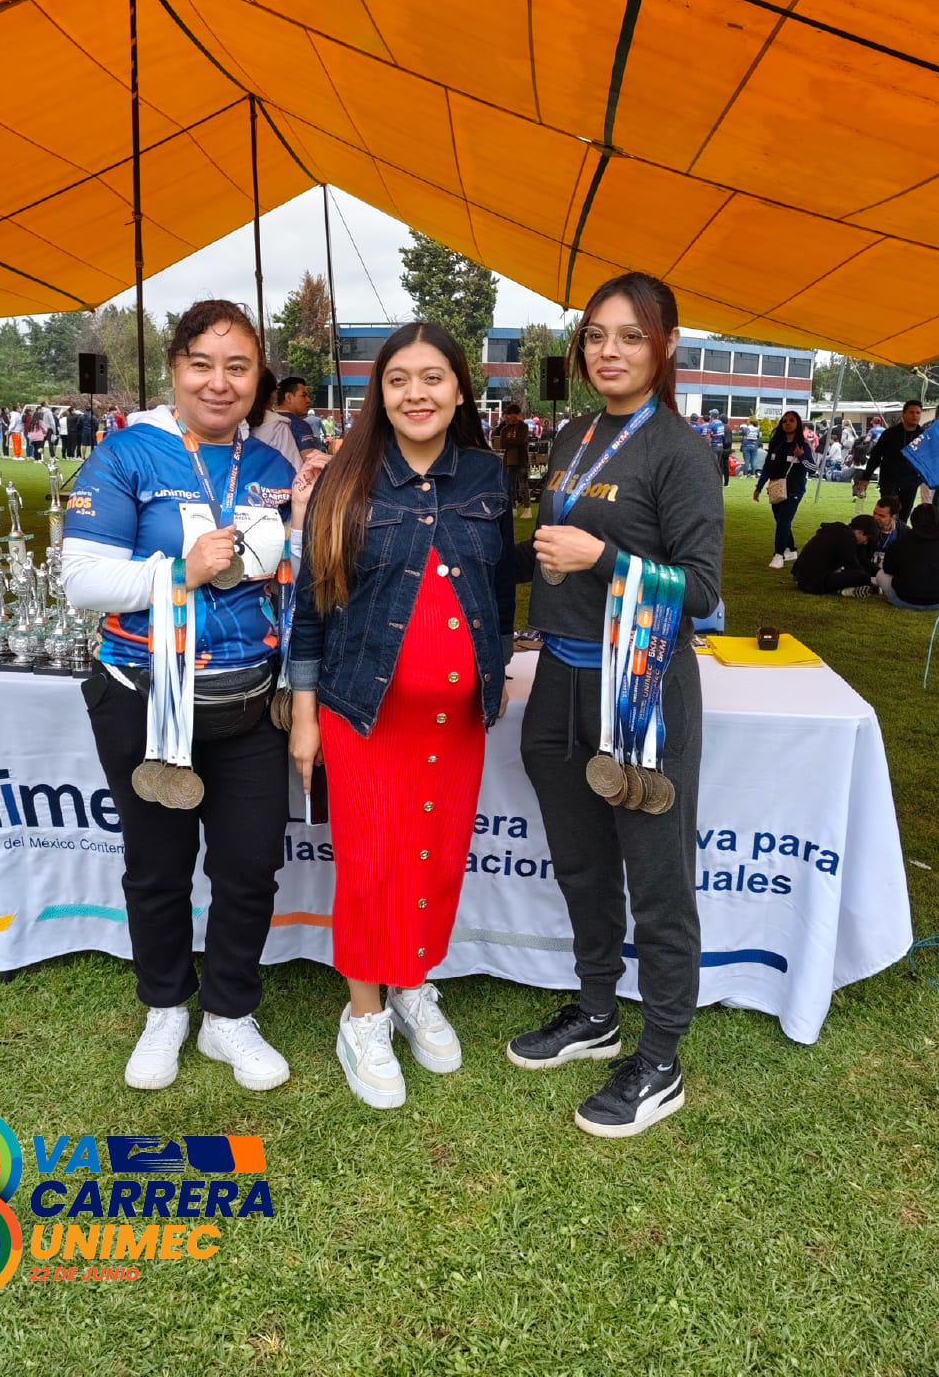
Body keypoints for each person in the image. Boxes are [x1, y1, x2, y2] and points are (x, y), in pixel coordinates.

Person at [61, 298, 316, 1095]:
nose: (219, 382)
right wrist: (181, 572)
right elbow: (81, 581)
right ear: (175, 369)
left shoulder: (269, 467)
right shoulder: (128, 454)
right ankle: (166, 1007)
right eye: (202, 364)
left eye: (238, 367)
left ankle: (229, 1015)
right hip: (145, 699)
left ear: (258, 379)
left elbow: (289, 580)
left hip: (249, 704)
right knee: (158, 869)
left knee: (250, 868)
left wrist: (304, 520)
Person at [505, 273, 722, 1139]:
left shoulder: (680, 451)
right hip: (558, 681)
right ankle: (597, 1011)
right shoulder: (575, 432)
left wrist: (602, 558)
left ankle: (661, 1056)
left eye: (631, 336)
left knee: (658, 881)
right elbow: (551, 548)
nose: (609, 351)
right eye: (596, 334)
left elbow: (701, 591)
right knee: (581, 865)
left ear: (665, 347)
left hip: (640, 688)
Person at [289, 323, 515, 1111]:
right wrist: (305, 716)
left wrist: (495, 673)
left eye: (433, 378)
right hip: (363, 714)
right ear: (378, 394)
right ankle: (364, 1016)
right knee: (373, 864)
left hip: (456, 723)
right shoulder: (343, 478)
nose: (416, 394)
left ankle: (412, 982)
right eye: (398, 380)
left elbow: (501, 590)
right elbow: (311, 608)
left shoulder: (486, 474)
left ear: (459, 389)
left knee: (435, 859)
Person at [753, 411, 814, 568]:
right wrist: (759, 487)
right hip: (776, 488)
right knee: (781, 521)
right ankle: (791, 549)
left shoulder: (803, 445)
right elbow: (767, 467)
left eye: (791, 420)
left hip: (794, 490)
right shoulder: (776, 444)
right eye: (785, 421)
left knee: (783, 522)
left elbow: (813, 469)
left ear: (798, 424)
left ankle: (778, 555)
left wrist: (801, 456)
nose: (787, 423)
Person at [874, 503, 939, 608]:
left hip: (904, 599)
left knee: (880, 575)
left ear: (914, 519)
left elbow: (888, 568)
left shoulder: (902, 540)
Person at [860, 399, 925, 518]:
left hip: (910, 482)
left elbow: (929, 460)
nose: (915, 415)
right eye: (911, 412)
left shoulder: (923, 437)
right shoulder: (890, 434)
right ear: (903, 414)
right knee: (888, 513)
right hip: (889, 480)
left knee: (903, 516)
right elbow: (876, 456)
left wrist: (919, 479)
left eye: (918, 413)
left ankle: (900, 530)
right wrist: (866, 477)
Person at [791, 515, 880, 596]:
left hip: (801, 576)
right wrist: (870, 580)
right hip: (813, 582)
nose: (865, 543)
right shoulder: (847, 537)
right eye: (867, 539)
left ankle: (845, 589)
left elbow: (860, 559)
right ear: (861, 532)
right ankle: (843, 591)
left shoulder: (839, 531)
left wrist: (878, 572)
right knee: (858, 575)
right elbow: (853, 566)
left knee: (861, 573)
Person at [492, 401, 533, 517]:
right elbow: (502, 444)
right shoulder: (504, 429)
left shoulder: (523, 426)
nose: (510, 416)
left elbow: (521, 440)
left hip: (521, 459)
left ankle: (527, 507)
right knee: (510, 486)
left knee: (523, 485)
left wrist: (511, 441)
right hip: (509, 461)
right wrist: (513, 441)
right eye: (509, 414)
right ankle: (512, 507)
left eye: (512, 414)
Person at [276, 376, 324, 458]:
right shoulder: (300, 426)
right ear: (288, 397)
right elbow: (310, 461)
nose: (308, 400)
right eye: (303, 395)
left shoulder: (265, 423)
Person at [704, 409, 732, 488]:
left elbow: (708, 437)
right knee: (719, 465)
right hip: (720, 447)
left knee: (713, 465)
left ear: (712, 416)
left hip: (714, 446)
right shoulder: (721, 424)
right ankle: (719, 481)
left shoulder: (711, 424)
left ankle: (713, 482)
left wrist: (707, 445)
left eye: (710, 415)